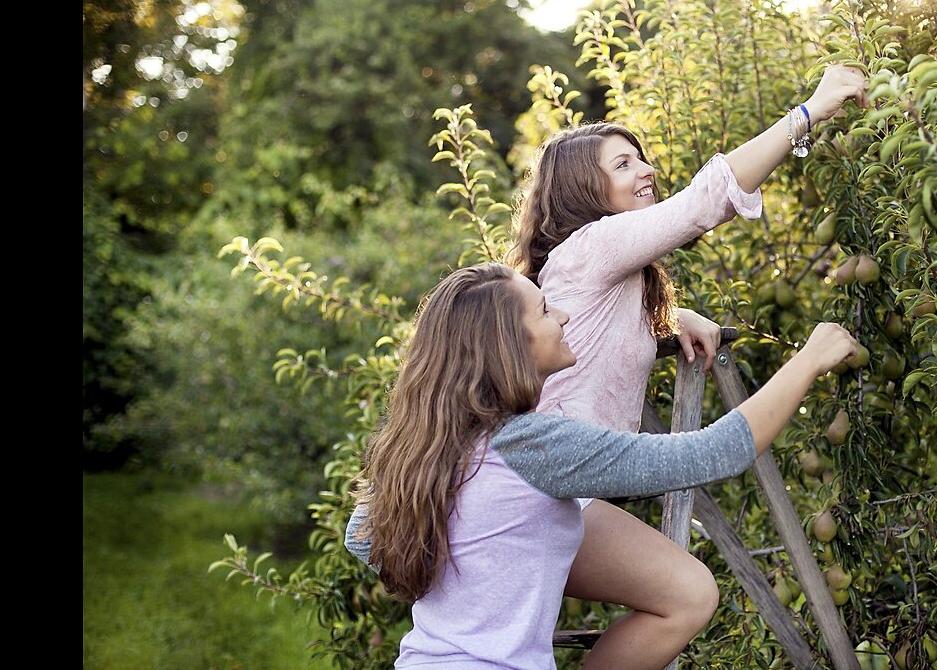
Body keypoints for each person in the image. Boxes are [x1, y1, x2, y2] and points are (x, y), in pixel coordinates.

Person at [504, 63, 868, 667]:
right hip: (541, 492)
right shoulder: (590, 247)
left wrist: (671, 319)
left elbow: (599, 332)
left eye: (639, 158)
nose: (646, 171)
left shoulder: (594, 270)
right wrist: (810, 111)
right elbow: (705, 203)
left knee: (684, 593)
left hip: (562, 490)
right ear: (580, 191)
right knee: (686, 594)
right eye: (622, 165)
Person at [346, 262, 858, 669]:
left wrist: (495, 564)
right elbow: (710, 454)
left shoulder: (429, 447)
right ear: (510, 347)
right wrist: (808, 359)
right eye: (545, 311)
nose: (563, 317)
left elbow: (362, 537)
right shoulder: (534, 445)